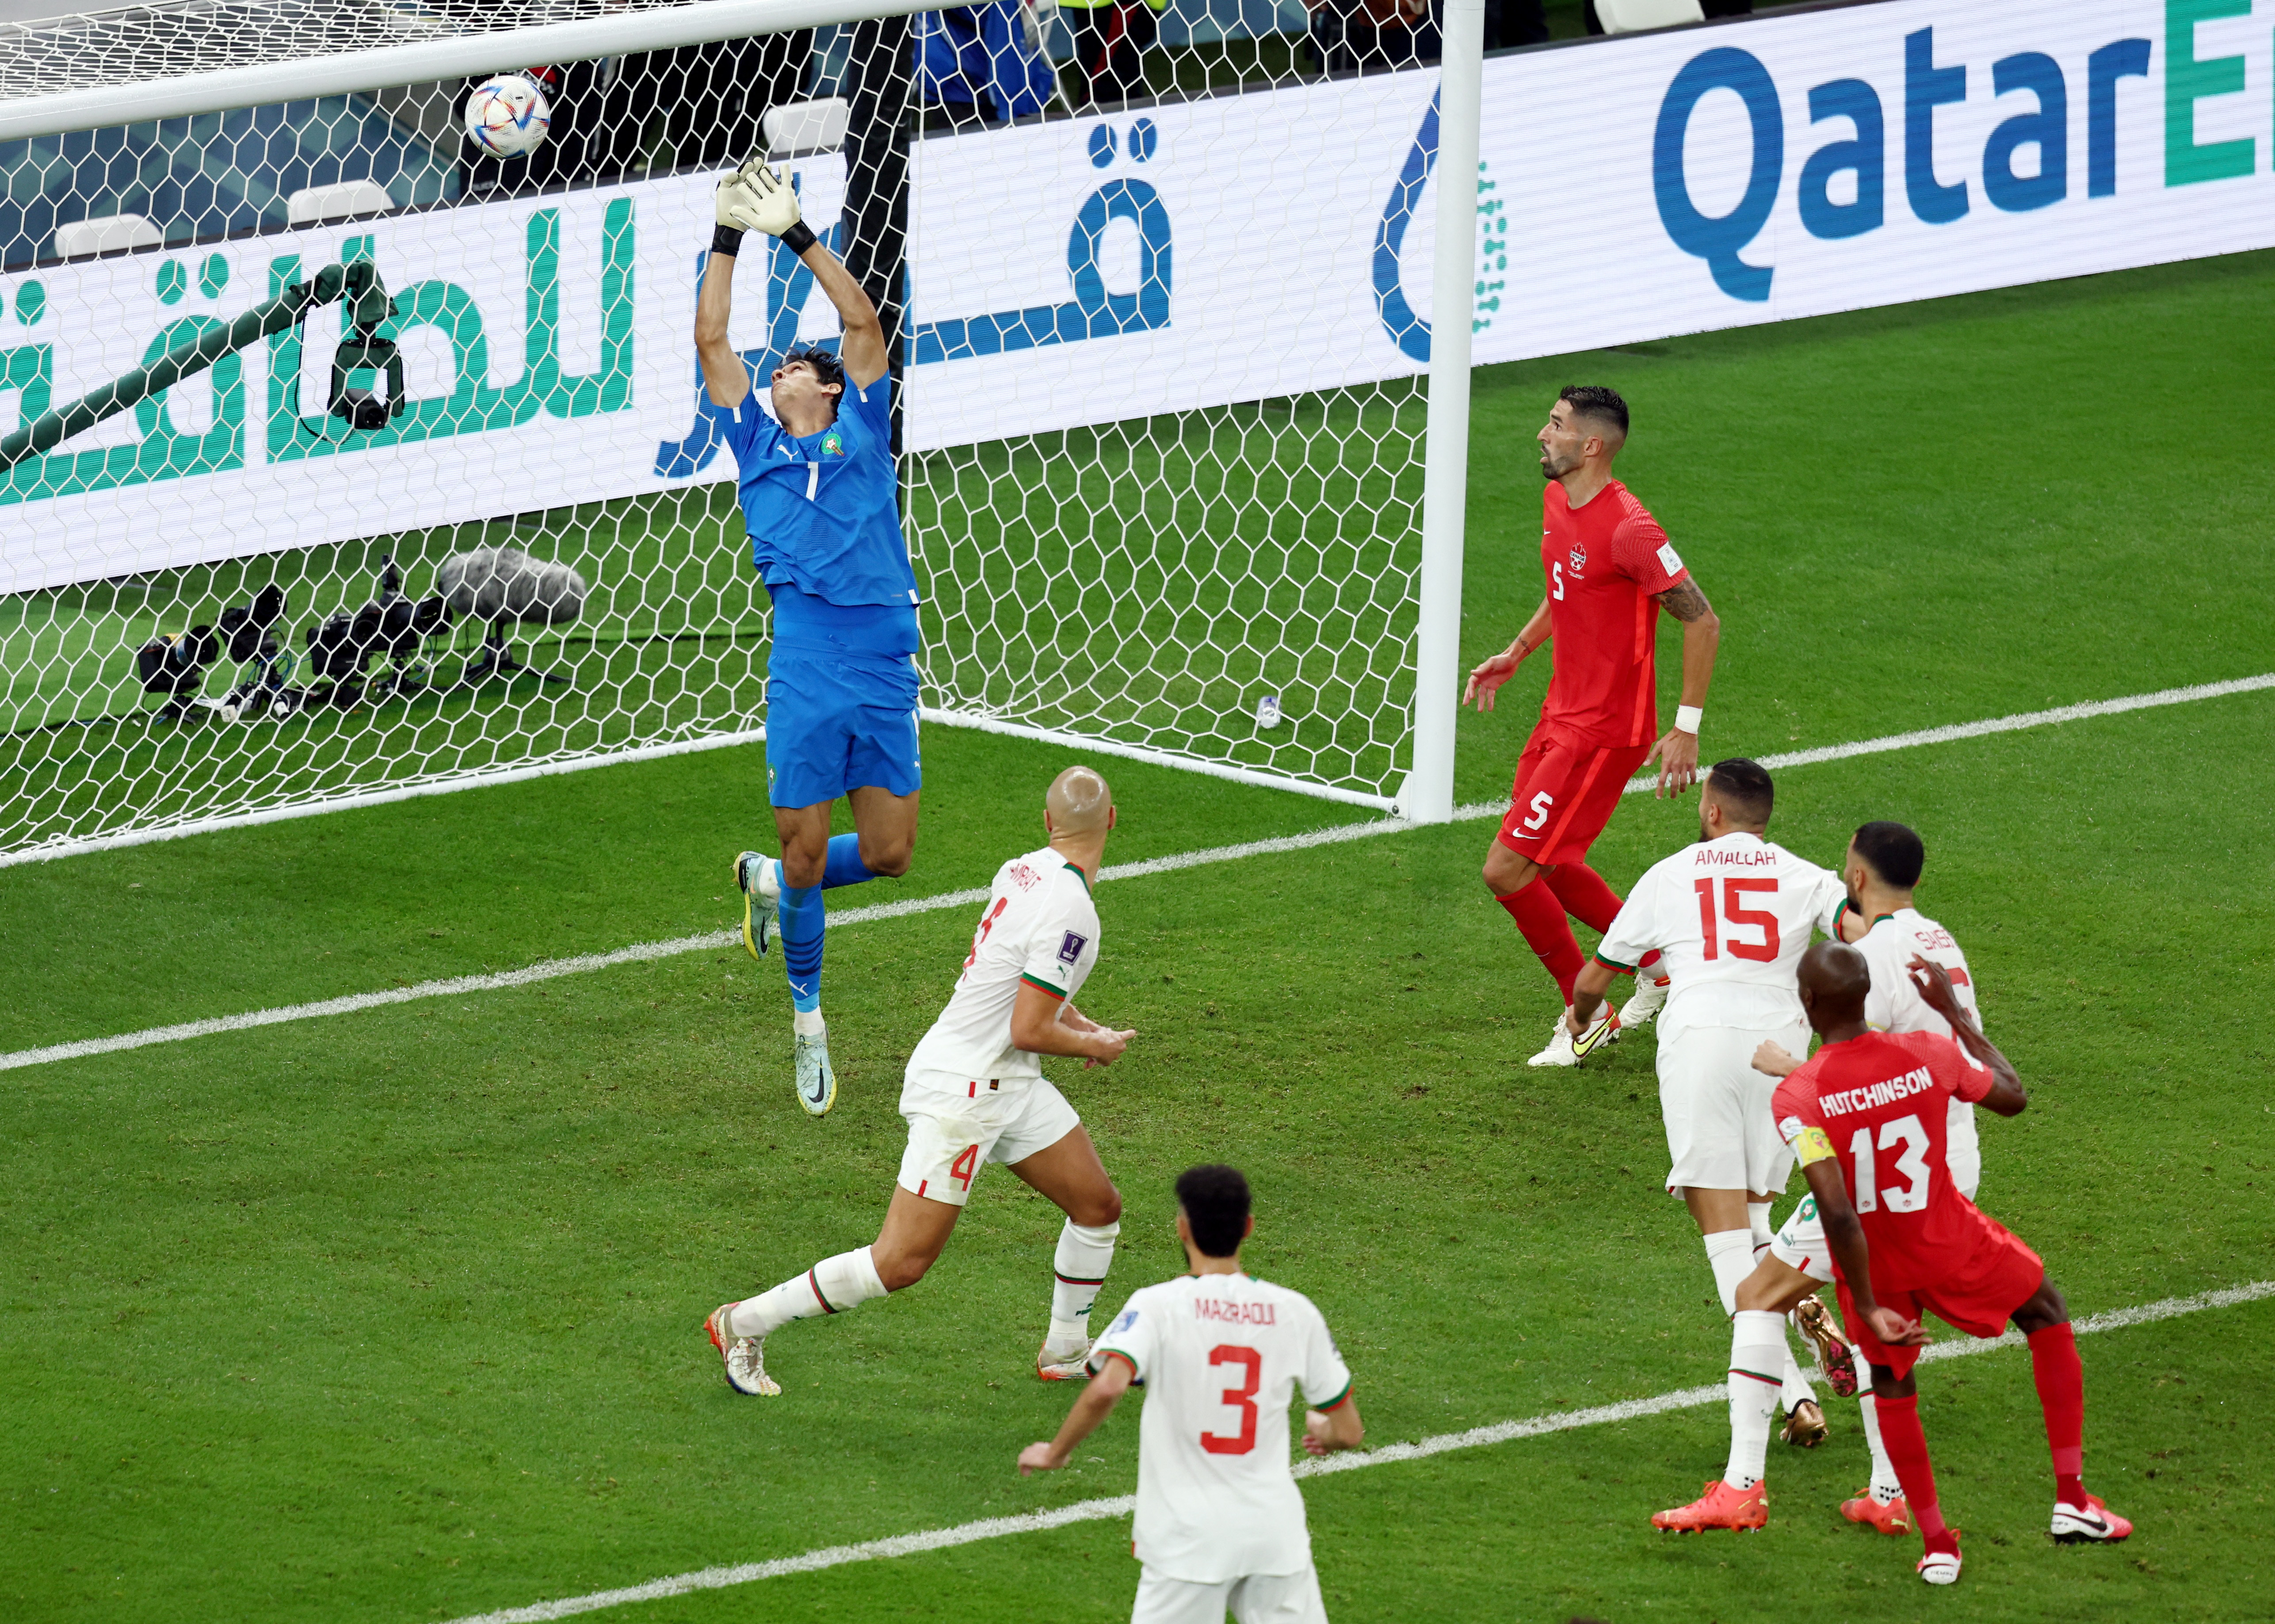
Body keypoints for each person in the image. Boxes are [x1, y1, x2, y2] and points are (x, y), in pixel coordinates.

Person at [1666, 943, 2132, 1580]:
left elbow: (1836, 1208)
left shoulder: (1797, 1096)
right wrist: (1955, 1015)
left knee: (1889, 1381)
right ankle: (2071, 1500)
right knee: (2046, 1311)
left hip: (1878, 1264)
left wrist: (1862, 1303)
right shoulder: (1928, 1051)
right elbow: (2012, 1096)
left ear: (1805, 1006)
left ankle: (1937, 1544)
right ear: (1865, 998)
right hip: (1951, 1240)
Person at [704, 767, 1137, 1395]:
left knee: (1097, 1207)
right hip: (966, 1089)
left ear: (1047, 824)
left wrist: (1079, 1021)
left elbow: (1019, 982)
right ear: (1113, 819)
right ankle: (742, 1322)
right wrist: (1093, 1043)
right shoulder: (1075, 910)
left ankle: (1066, 1349)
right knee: (901, 1262)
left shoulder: (1022, 870)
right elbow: (1028, 1025)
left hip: (1002, 1080)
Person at [700, 160, 925, 1115]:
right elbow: (711, 335)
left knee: (887, 855)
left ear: (829, 392)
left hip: (880, 658)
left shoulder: (865, 425)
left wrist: (796, 236)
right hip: (803, 657)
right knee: (805, 855)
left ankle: (768, 880)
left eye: (798, 364)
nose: (782, 366)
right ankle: (806, 1022)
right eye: (778, 364)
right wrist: (724, 236)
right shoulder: (752, 440)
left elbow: (864, 323)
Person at [1569, 759, 1847, 1445]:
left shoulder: (1669, 874)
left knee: (1721, 1233)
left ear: (1713, 811)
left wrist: (1581, 1017)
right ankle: (1803, 1304)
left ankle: (1794, 1398)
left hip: (1700, 1044)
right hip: (1781, 1053)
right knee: (1752, 1215)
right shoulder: (1805, 874)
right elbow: (1861, 928)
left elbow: (1596, 975)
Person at [1741, 818, 1988, 1533]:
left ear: (1856, 876)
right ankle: (1887, 1491)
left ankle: (1742, 1482)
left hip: (1887, 1172)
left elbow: (1861, 1078)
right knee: (1882, 1331)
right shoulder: (1938, 937)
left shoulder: (1875, 957)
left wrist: (1788, 1068)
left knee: (1758, 1294)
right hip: (1947, 1159)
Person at [1463, 386, 1722, 1067]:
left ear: (1592, 446)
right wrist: (1516, 653)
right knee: (1549, 862)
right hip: (1560, 710)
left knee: (1507, 868)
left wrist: (1684, 728)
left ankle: (1588, 1009)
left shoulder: (1631, 529)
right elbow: (1564, 592)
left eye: (1555, 426)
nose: (1540, 435)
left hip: (1605, 730)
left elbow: (1701, 619)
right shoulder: (1558, 499)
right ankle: (1660, 965)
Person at [1019, 1164, 1364, 1624]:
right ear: (1248, 1229)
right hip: (1273, 1536)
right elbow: (1349, 1430)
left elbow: (1107, 1384)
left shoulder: (1158, 1305)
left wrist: (1056, 1451)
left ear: (1182, 1228)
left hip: (1187, 1541)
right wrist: (1326, 1432)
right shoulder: (1295, 1312)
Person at [1061, 0, 1166, 107]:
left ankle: (1114, 117)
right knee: (1103, 76)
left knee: (1109, 84)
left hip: (1117, 5)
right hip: (1098, 5)